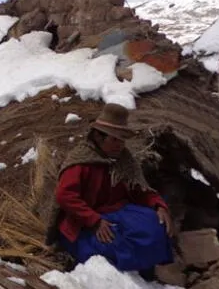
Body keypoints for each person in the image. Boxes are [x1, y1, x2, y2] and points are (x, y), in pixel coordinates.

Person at [55, 103, 174, 275]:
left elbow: (139, 188)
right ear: (98, 136)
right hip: (85, 219)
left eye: (122, 140)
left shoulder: (124, 160)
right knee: (112, 244)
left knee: (156, 226)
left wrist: (159, 205)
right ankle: (129, 277)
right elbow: (65, 196)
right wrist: (94, 220)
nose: (119, 145)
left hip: (120, 211)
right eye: (114, 139)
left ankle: (145, 272)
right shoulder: (80, 161)